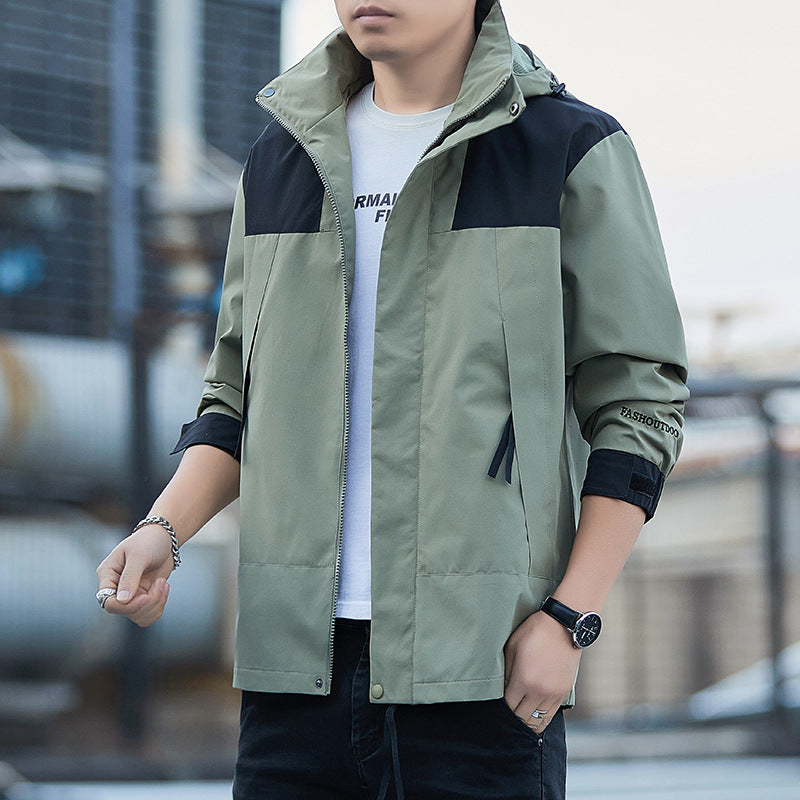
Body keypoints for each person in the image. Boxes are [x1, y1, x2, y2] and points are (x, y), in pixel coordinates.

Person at [96, 0, 689, 797]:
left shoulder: (567, 149)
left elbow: (639, 404)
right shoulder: (279, 160)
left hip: (483, 672)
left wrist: (568, 618)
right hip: (292, 677)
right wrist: (162, 530)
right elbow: (235, 393)